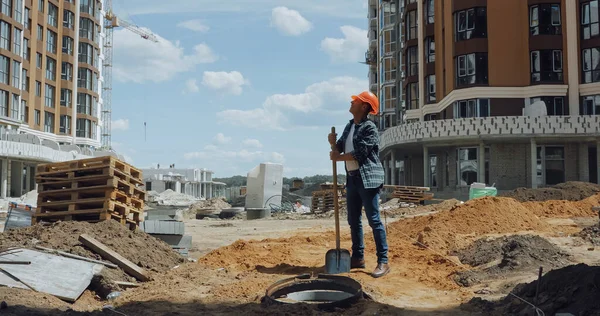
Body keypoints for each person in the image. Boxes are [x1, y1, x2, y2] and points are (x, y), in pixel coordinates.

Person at [328, 91, 390, 278]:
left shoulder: (369, 128)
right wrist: (334, 145)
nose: (352, 102)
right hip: (353, 178)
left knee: (373, 220)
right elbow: (340, 145)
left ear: (364, 107)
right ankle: (358, 257)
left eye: (356, 101)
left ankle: (383, 260)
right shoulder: (349, 126)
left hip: (368, 178)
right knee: (353, 220)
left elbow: (360, 153)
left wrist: (338, 157)